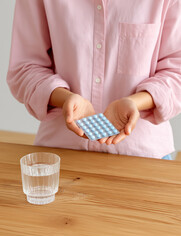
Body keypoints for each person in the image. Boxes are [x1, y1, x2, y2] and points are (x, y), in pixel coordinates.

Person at [7, 0, 181, 159]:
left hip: (146, 156)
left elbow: (176, 72)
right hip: (60, 153)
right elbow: (25, 68)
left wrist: (136, 103)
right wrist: (65, 98)